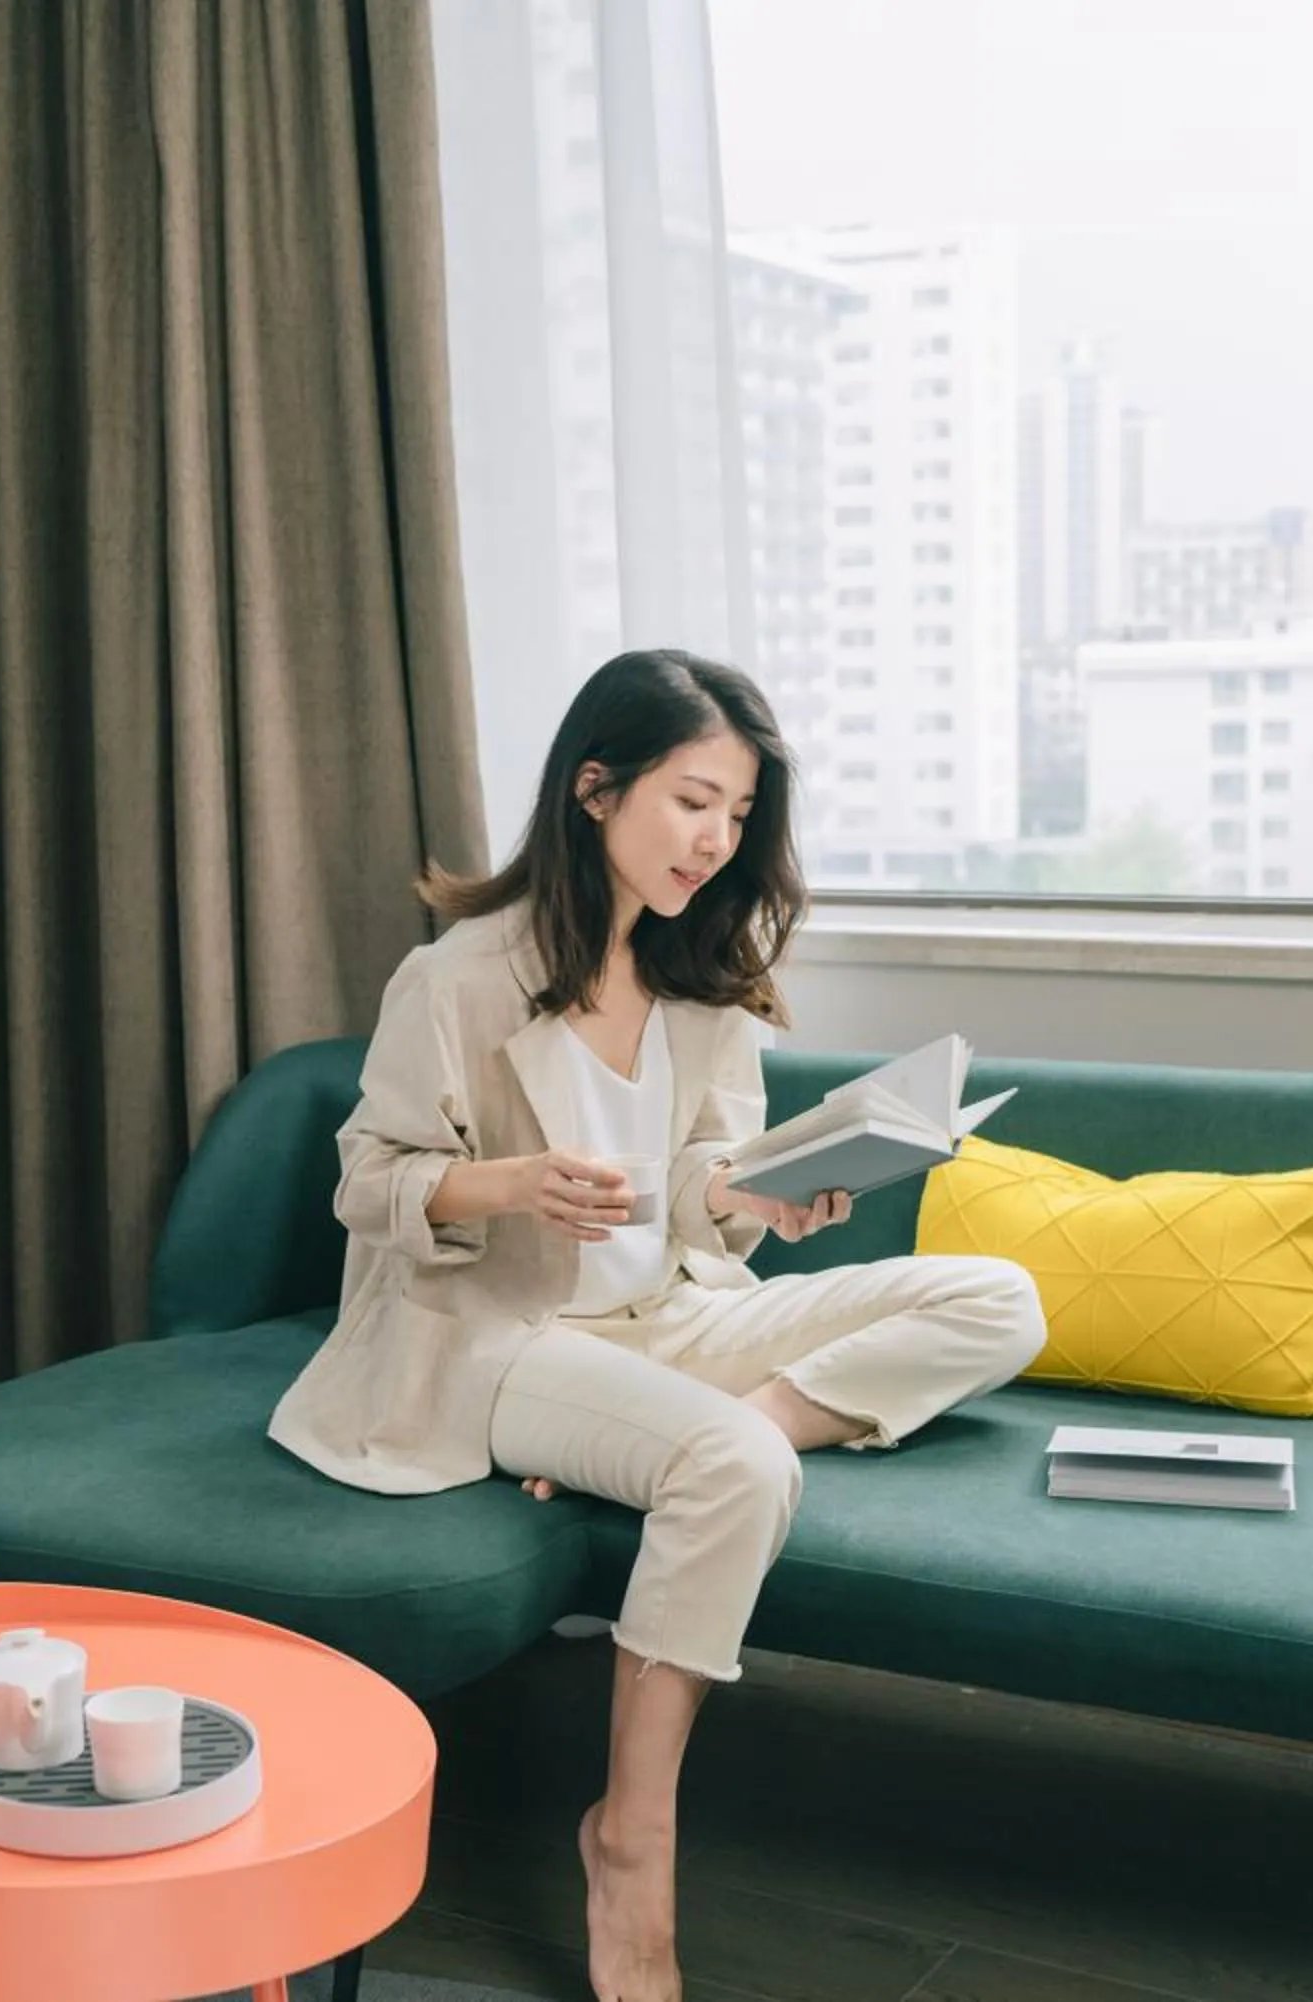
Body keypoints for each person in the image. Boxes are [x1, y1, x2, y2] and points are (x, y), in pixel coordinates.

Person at [269, 647, 1048, 2002]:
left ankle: (722, 1432)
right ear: (594, 785)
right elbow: (367, 1182)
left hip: (674, 1319)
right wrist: (507, 1183)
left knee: (1000, 1294)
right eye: (695, 799)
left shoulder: (700, 987)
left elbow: (698, 1193)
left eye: (738, 815)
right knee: (740, 1476)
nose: (717, 839)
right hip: (504, 1340)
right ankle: (632, 1836)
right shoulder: (456, 981)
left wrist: (759, 1196)